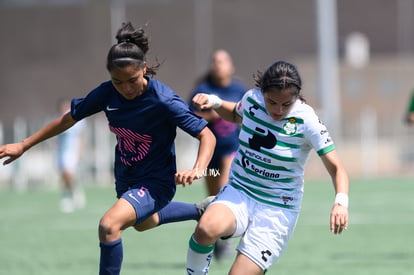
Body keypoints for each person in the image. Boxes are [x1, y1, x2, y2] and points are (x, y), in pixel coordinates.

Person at [0, 22, 216, 275]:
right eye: (117, 81)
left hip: (157, 181)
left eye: (132, 80)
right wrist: (24, 145)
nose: (126, 88)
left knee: (109, 225)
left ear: (144, 69)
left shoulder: (163, 100)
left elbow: (206, 134)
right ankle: (199, 209)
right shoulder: (106, 94)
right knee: (143, 223)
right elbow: (69, 119)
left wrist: (199, 169)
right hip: (126, 177)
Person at [186, 61, 350, 275]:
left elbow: (337, 168)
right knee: (206, 229)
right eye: (272, 102)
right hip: (240, 191)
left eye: (286, 104)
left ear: (297, 96)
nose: (278, 110)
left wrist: (340, 203)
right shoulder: (252, 99)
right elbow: (236, 115)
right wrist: (215, 102)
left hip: (277, 209)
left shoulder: (307, 120)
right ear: (262, 92)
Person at [189, 49, 246, 259]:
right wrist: (211, 114)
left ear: (231, 66)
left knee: (224, 185)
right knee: (213, 197)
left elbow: (247, 114)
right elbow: (190, 115)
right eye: (214, 61)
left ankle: (228, 233)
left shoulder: (239, 89)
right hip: (209, 152)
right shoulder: (203, 89)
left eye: (222, 61)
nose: (218, 65)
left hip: (231, 149)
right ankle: (219, 237)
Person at [56, 98, 87, 213]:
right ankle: (73, 191)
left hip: (72, 151)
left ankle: (68, 196)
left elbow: (81, 136)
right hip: (61, 152)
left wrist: (80, 151)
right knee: (64, 176)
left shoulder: (77, 120)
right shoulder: (58, 119)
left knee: (68, 174)